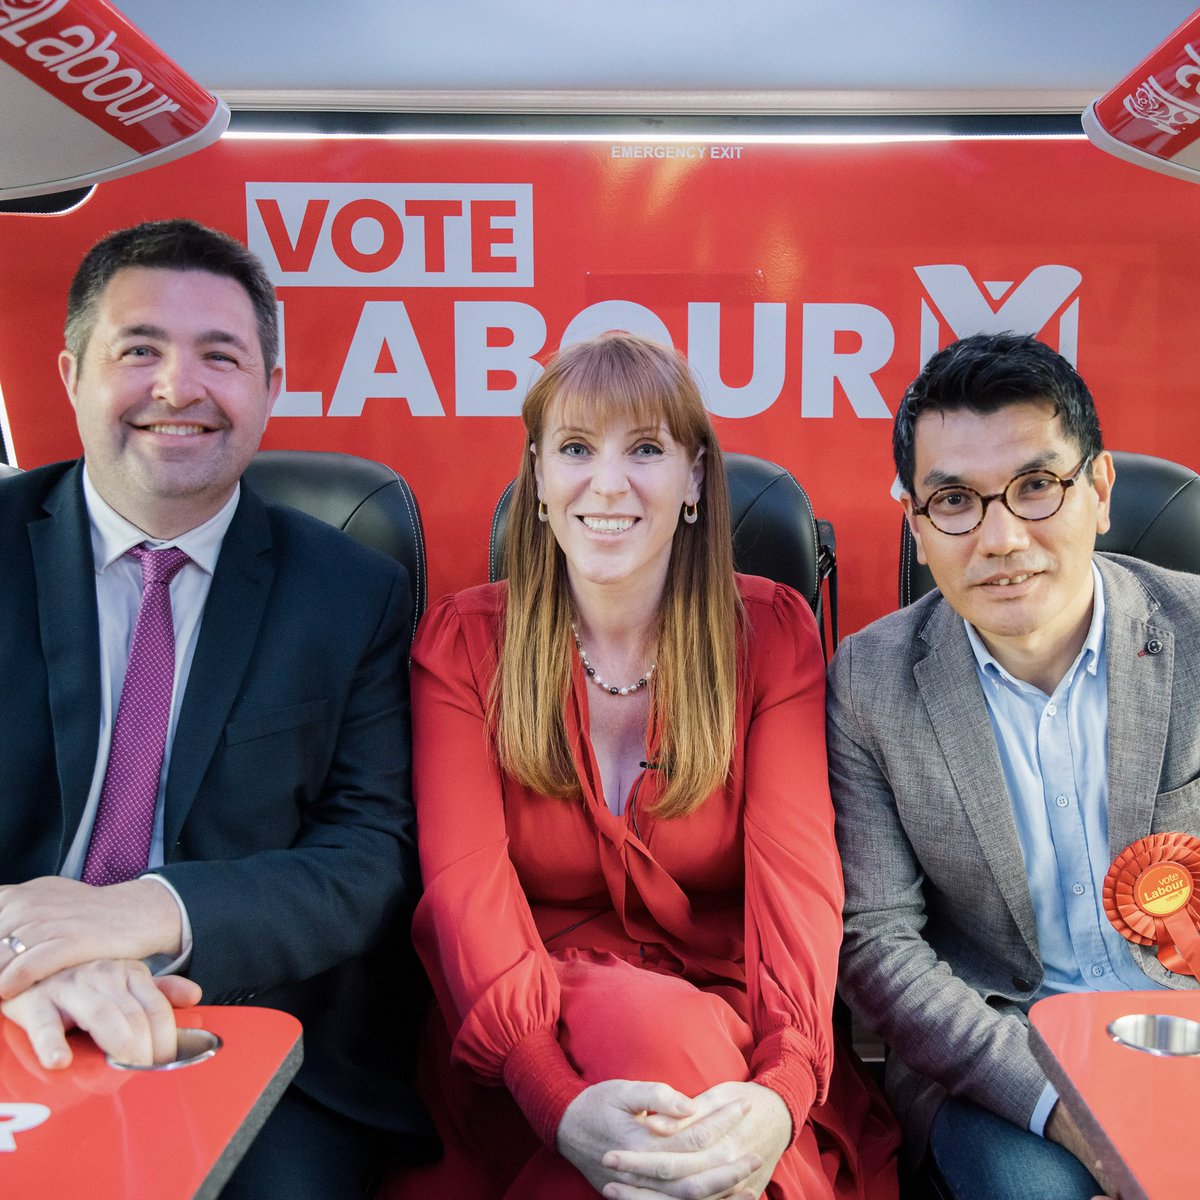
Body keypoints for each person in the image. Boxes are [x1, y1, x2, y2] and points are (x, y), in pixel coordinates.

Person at [399, 332, 898, 1200]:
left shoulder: (772, 635)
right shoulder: (463, 645)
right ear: (540, 482)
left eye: (645, 450)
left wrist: (780, 1092)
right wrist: (554, 1100)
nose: (608, 482)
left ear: (695, 477)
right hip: (524, 1030)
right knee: (659, 1058)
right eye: (577, 450)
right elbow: (463, 891)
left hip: (738, 1021)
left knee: (684, 1070)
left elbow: (799, 885)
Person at [0, 219, 432, 1197]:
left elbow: (371, 857)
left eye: (219, 356)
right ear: (72, 372)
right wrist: (35, 957)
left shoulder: (350, 593)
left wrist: (135, 917)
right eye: (139, 349)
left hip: (247, 1027)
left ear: (270, 388)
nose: (175, 387)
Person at [827, 331, 1200, 1200]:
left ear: (1099, 491)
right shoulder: (870, 683)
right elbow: (878, 944)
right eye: (955, 500)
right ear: (917, 527)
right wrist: (1067, 1109)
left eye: (1037, 487)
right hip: (1003, 1061)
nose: (1001, 537)